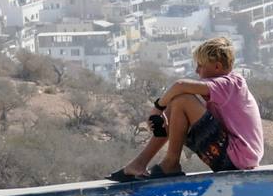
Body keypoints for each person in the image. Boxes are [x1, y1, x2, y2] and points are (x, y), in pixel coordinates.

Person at [109, 36, 264, 181]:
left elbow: (180, 85)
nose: (197, 70)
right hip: (234, 157)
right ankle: (140, 163)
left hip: (236, 158)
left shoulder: (229, 84)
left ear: (217, 66)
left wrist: (158, 108)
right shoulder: (228, 84)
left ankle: (171, 163)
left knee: (183, 99)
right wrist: (165, 115)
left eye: (201, 65)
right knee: (177, 102)